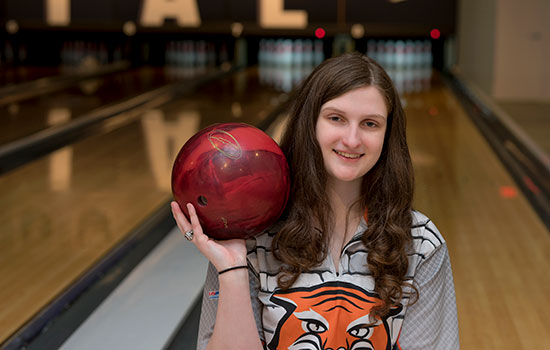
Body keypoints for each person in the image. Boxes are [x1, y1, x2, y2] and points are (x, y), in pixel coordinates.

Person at [171, 52, 459, 350]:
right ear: (310, 124)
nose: (351, 139)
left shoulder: (421, 244)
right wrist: (231, 269)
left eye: (370, 124)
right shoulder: (253, 238)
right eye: (336, 118)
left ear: (388, 135)